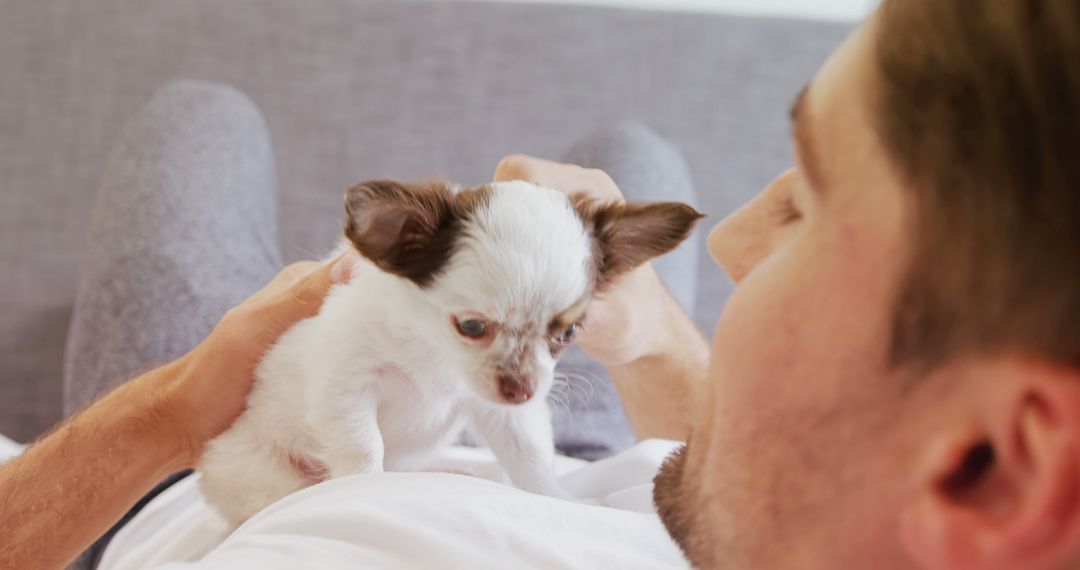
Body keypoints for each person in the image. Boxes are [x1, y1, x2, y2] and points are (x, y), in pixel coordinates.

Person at [3, 0, 1079, 567]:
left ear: (999, 470)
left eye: (807, 204)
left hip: (211, 466)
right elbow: (780, 478)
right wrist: (649, 337)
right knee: (636, 153)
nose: (731, 244)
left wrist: (160, 414)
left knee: (199, 120)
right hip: (583, 458)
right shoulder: (821, 508)